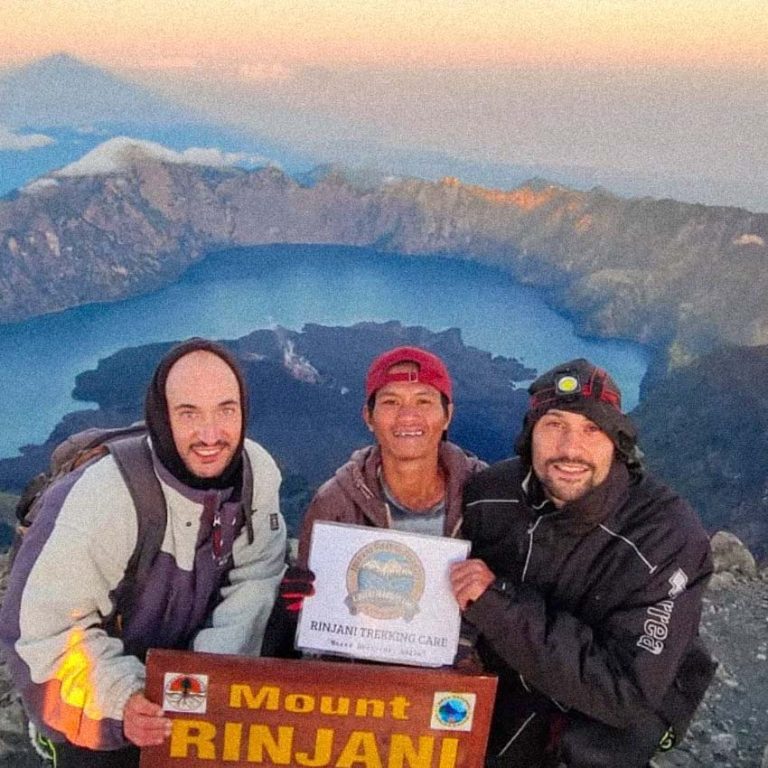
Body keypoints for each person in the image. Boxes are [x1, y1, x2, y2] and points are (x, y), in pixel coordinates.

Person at [0, 338, 287, 767]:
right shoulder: (103, 498)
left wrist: (196, 686)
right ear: (161, 417)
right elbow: (45, 632)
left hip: (184, 676)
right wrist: (127, 698)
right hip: (107, 694)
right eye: (189, 413)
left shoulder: (255, 472)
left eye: (226, 410)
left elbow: (256, 578)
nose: (211, 434)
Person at [450, 359, 715, 768]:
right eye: (554, 425)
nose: (571, 449)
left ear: (618, 441)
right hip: (513, 687)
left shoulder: (666, 536)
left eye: (593, 428)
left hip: (615, 711)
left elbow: (626, 691)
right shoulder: (490, 495)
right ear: (530, 435)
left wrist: (498, 604)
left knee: (590, 747)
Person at [263, 346, 485, 657]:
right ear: (369, 417)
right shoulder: (334, 503)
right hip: (362, 687)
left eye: (424, 401)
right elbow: (312, 621)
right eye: (391, 402)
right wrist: (297, 607)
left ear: (447, 415)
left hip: (455, 688)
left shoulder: (486, 497)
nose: (408, 416)